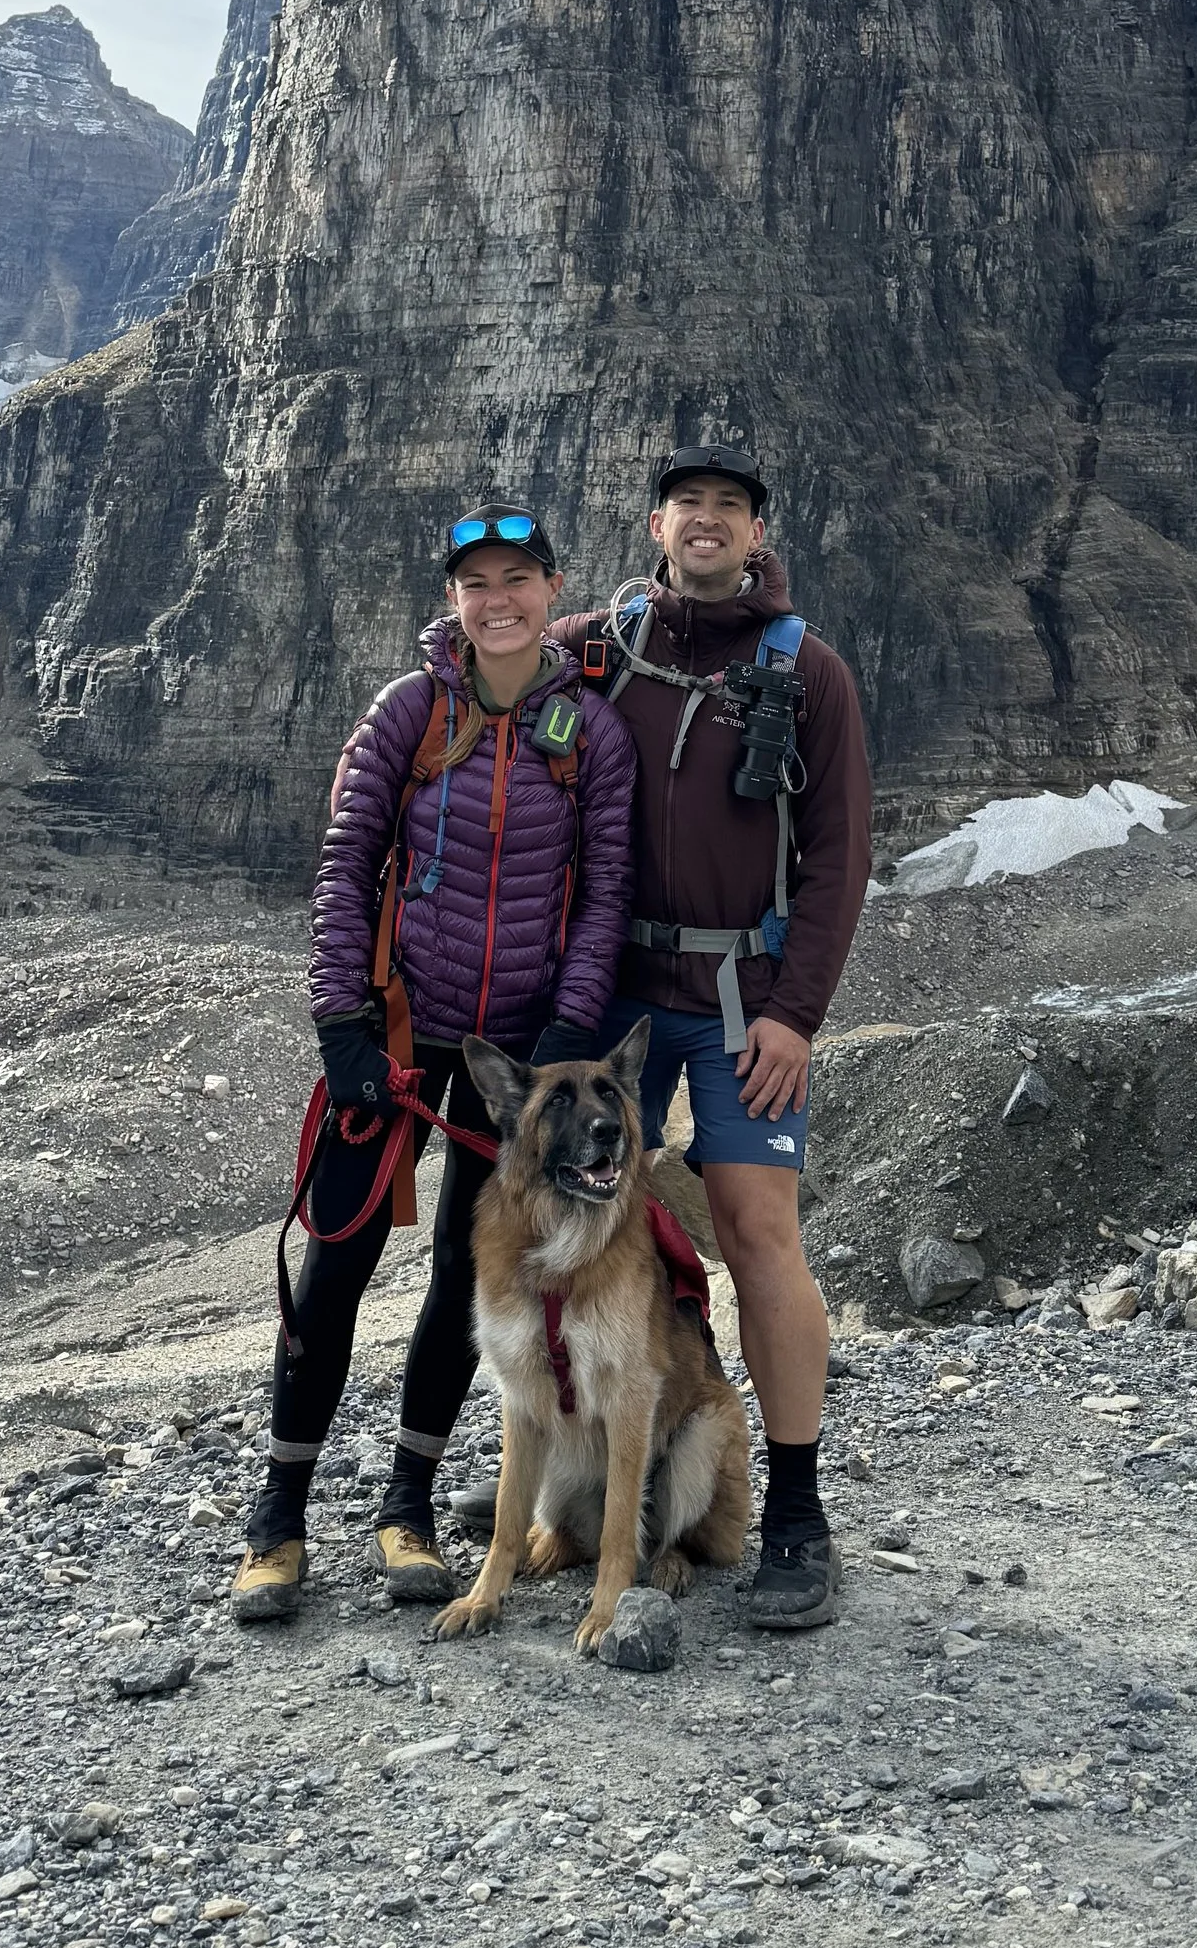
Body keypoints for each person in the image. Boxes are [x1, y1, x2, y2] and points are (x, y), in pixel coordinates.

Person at [228, 504, 638, 1624]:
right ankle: (278, 1518)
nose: (497, 600)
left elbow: (606, 897)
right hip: (399, 1037)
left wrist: (563, 1042)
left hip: (513, 1060)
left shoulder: (590, 735)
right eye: (476, 583)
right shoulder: (405, 716)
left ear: (553, 591)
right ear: (451, 599)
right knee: (337, 1266)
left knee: (468, 1275)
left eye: (517, 579)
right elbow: (346, 868)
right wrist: (339, 1026)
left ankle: (407, 1506)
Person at [553, 440, 871, 1630]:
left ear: (755, 536)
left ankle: (794, 1509)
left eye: (727, 509)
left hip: (746, 1007)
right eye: (687, 503)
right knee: (573, 1239)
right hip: (617, 1001)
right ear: (654, 525)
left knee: (756, 1233)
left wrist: (796, 1013)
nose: (705, 522)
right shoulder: (594, 646)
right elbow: (484, 661)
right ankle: (578, 1487)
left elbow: (838, 858)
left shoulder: (810, 673)